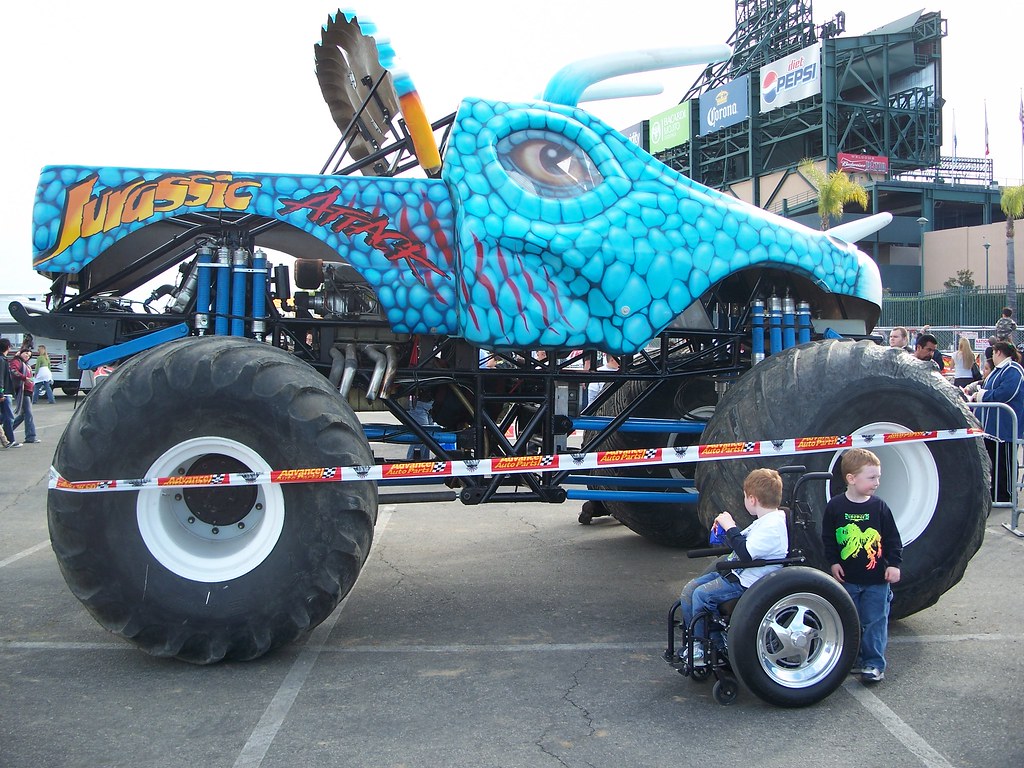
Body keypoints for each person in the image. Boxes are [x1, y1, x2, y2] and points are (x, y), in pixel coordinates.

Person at [677, 468, 788, 666]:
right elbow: (739, 542)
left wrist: (731, 527)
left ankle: (702, 649)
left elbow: (745, 553)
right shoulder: (762, 522)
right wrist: (724, 531)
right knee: (689, 590)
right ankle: (702, 643)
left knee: (701, 595)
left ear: (752, 499)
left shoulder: (773, 526)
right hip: (738, 574)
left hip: (750, 582)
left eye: (745, 497)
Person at [822, 448, 902, 684]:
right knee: (849, 621)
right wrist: (833, 562)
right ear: (851, 478)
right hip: (847, 580)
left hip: (877, 580)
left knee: (875, 621)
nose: (877, 482)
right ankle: (850, 660)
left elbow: (892, 539)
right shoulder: (835, 507)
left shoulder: (879, 507)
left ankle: (874, 664)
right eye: (871, 477)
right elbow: (828, 538)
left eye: (878, 477)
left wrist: (894, 564)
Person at [968, 340, 1024, 502]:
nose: (992, 356)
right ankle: (997, 493)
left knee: (1005, 462)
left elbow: (1006, 393)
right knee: (995, 461)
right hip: (993, 427)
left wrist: (983, 396)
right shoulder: (999, 371)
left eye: (993, 353)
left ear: (999, 352)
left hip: (1005, 427)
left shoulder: (1013, 370)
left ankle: (1006, 495)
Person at [9, 346, 39, 444]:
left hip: (28, 391)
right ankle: (31, 436)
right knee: (28, 414)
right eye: (26, 353)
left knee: (23, 415)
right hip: (23, 391)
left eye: (29, 355)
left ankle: (6, 432)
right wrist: (24, 378)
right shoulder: (17, 361)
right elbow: (13, 371)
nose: (27, 356)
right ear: (21, 353)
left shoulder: (26, 364)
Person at [0, 339, 18, 448]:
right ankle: (10, 440)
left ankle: (7, 439)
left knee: (3, 417)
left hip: (4, 392)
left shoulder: (3, 359)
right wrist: (1, 393)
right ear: (8, 347)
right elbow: (0, 378)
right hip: (4, 393)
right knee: (9, 417)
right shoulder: (2, 360)